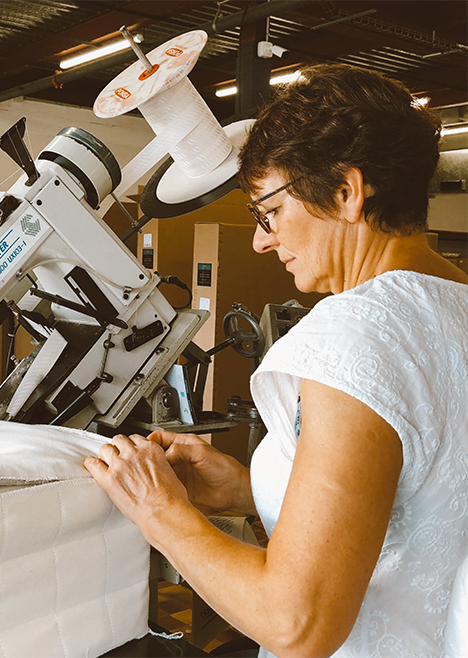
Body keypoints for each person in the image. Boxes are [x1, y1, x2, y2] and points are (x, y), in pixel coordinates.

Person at [84, 64, 468, 657]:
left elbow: (297, 624)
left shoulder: (355, 332)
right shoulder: (455, 308)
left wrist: (159, 510)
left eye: (268, 211)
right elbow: (422, 500)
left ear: (346, 191)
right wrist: (247, 489)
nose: (262, 240)